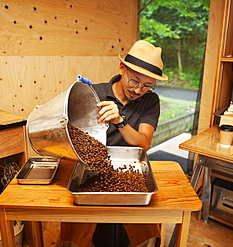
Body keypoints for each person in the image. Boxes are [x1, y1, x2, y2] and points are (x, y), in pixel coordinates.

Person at [61, 40, 168, 247]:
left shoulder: (150, 101)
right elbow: (75, 134)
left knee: (146, 234)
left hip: (130, 170)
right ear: (122, 68)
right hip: (91, 168)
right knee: (75, 233)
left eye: (147, 86)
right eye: (134, 81)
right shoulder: (94, 94)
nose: (138, 90)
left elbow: (143, 144)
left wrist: (120, 121)